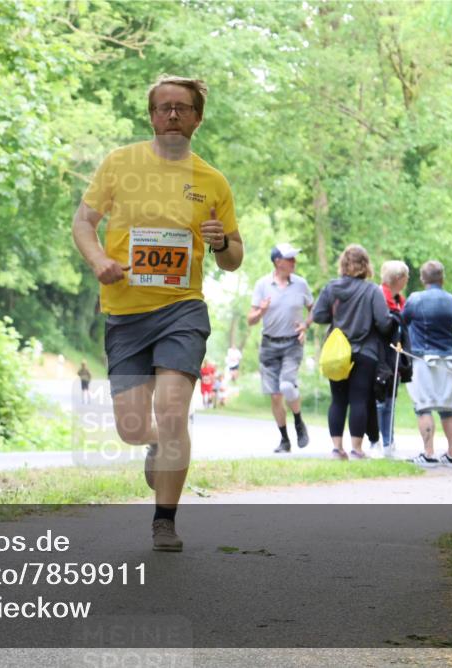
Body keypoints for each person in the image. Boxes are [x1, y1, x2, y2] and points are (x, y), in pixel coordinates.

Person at [71, 75, 244, 551]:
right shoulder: (120, 164)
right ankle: (154, 443)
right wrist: (99, 261)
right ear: (151, 115)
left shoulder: (212, 181)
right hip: (125, 312)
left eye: (181, 108)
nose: (171, 114)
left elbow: (233, 258)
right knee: (131, 428)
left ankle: (164, 521)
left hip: (181, 310)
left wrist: (221, 243)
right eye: (163, 107)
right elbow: (84, 223)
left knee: (172, 412)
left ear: (197, 118)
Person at [312, 244, 394, 460]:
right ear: (366, 265)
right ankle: (357, 450)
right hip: (365, 351)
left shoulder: (331, 288)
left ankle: (337, 449)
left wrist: (335, 316)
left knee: (338, 400)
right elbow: (384, 322)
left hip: (337, 353)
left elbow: (318, 316)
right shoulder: (372, 290)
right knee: (359, 400)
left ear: (343, 264)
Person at [248, 243, 314, 453]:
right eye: (290, 258)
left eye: (294, 258)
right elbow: (250, 319)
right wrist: (261, 311)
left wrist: (305, 325)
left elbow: (313, 309)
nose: (294, 262)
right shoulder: (262, 285)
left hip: (292, 343)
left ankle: (299, 422)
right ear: (278, 262)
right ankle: (285, 439)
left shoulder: (301, 284)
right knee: (275, 395)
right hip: (269, 345)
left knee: (286, 386)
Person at [402, 260, 452, 468]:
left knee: (424, 407)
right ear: (442, 278)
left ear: (422, 278)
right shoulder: (451, 300)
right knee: (448, 409)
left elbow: (403, 320)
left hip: (423, 359)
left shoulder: (416, 299)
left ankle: (429, 453)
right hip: (449, 359)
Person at [371, 260, 410, 455]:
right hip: (380, 355)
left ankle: (389, 442)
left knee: (390, 402)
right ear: (398, 278)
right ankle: (376, 441)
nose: (407, 280)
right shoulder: (378, 296)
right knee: (380, 400)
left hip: (395, 357)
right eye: (406, 277)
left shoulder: (400, 301)